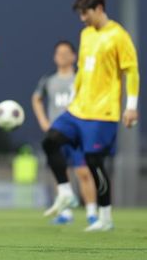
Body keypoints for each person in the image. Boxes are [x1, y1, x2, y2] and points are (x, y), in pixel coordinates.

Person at [41, 0, 139, 232]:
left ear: (99, 9)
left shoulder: (118, 36)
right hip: (78, 110)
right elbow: (84, 70)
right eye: (80, 14)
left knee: (94, 163)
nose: (82, 18)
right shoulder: (86, 34)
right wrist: (74, 97)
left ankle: (105, 216)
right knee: (50, 141)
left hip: (103, 113)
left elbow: (131, 71)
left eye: (86, 13)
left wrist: (132, 107)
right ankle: (65, 193)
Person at [31, 40, 97, 225]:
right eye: (58, 53)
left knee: (83, 172)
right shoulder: (48, 80)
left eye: (65, 53)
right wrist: (44, 121)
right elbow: (36, 99)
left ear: (74, 56)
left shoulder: (80, 78)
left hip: (78, 134)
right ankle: (65, 213)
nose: (62, 56)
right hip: (56, 134)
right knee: (59, 172)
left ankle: (92, 212)